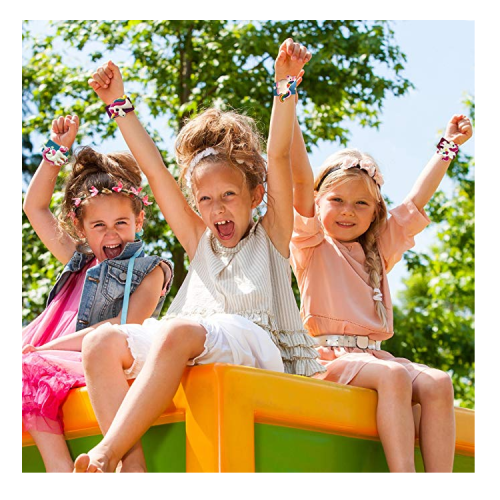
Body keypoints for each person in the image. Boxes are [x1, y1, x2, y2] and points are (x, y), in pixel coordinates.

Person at [73, 39, 325, 472]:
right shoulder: (198, 238)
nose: (218, 208)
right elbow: (154, 169)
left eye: (229, 195)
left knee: (181, 332)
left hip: (258, 344)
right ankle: (129, 472)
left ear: (256, 196)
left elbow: (279, 155)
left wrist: (285, 86)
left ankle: (104, 453)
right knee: (99, 342)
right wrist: (117, 103)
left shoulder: (272, 235)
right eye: (205, 199)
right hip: (195, 338)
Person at [288, 77, 473, 473]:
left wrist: (449, 147)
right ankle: (402, 478)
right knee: (394, 377)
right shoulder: (311, 244)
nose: (347, 211)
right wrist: (287, 95)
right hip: (327, 356)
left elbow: (416, 200)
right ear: (318, 203)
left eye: (360, 204)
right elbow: (299, 175)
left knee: (438, 382)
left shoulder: (376, 251)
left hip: (374, 355)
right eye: (336, 200)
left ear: (374, 213)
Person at [22, 114, 173, 472]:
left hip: (82, 358)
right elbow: (34, 207)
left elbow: (121, 328)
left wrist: (45, 350)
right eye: (99, 226)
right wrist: (56, 152)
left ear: (138, 221)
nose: (111, 236)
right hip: (44, 350)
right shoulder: (78, 259)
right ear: (81, 227)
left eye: (121, 223)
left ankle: (61, 471)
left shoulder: (149, 271)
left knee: (27, 368)